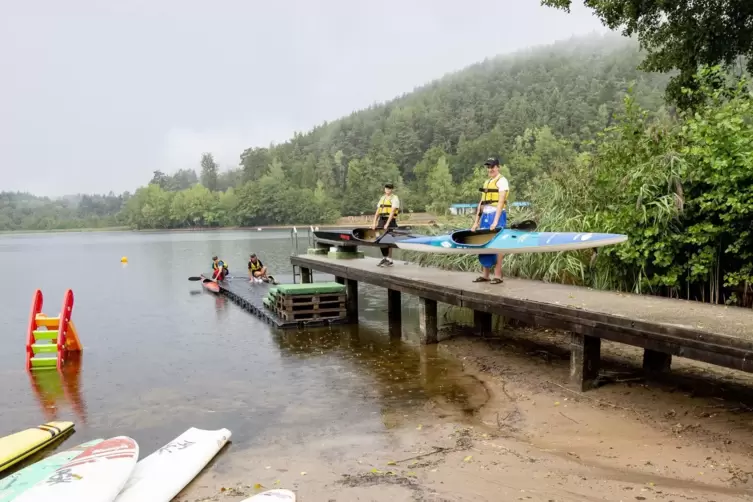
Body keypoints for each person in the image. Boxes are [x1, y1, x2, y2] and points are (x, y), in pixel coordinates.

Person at [470, 157, 509, 284]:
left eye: (492, 167)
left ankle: (498, 276)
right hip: (486, 216)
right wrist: (476, 221)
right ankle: (485, 275)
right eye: (488, 167)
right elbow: (481, 203)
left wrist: (495, 221)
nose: (490, 169)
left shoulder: (502, 181)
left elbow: (501, 201)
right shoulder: (487, 182)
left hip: (496, 215)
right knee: (484, 243)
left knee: (498, 245)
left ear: (498, 167)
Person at [371, 183, 400, 267]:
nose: (388, 190)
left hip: (390, 220)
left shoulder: (394, 198)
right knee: (379, 238)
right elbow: (377, 212)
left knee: (388, 239)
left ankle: (389, 259)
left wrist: (387, 224)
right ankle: (385, 257)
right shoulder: (382, 198)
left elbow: (392, 212)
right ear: (384, 189)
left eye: (390, 188)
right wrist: (374, 223)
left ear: (392, 190)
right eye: (386, 188)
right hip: (381, 220)